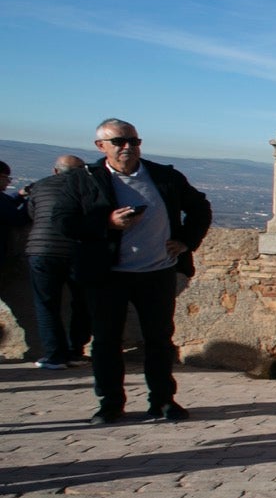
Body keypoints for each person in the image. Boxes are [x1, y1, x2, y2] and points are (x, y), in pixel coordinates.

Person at [65, 120, 212, 423]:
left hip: (156, 271)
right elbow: (64, 222)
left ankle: (162, 400)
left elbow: (200, 207)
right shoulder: (85, 181)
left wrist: (186, 240)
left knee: (159, 339)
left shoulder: (164, 177)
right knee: (106, 340)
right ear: (101, 146)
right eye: (118, 142)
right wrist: (106, 222)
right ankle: (110, 403)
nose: (127, 147)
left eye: (133, 141)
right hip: (108, 274)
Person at [25, 155, 92, 369]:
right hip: (77, 250)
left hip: (41, 250)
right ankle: (75, 351)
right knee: (82, 303)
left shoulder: (41, 185)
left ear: (56, 171)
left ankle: (54, 355)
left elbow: (32, 213)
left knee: (46, 304)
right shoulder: (88, 187)